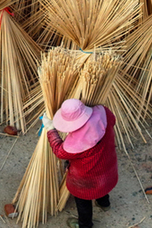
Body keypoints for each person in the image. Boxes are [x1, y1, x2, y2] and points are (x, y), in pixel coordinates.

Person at [41, 98, 118, 228]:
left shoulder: (74, 145)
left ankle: (85, 225)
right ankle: (104, 204)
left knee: (83, 201)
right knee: (103, 185)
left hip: (86, 180)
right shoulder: (104, 113)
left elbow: (59, 151)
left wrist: (51, 129)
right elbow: (113, 120)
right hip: (107, 164)